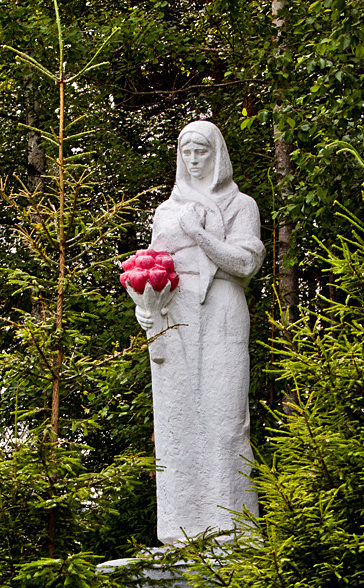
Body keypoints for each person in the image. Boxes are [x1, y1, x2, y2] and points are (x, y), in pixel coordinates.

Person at [135, 121, 265, 545]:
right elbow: (155, 269)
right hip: (175, 314)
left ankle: (232, 528)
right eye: (187, 152)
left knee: (226, 419)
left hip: (224, 309)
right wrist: (146, 307)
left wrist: (198, 234)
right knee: (177, 420)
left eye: (202, 152)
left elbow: (245, 264)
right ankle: (179, 529)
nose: (194, 161)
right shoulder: (166, 211)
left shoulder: (240, 205)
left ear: (218, 155)